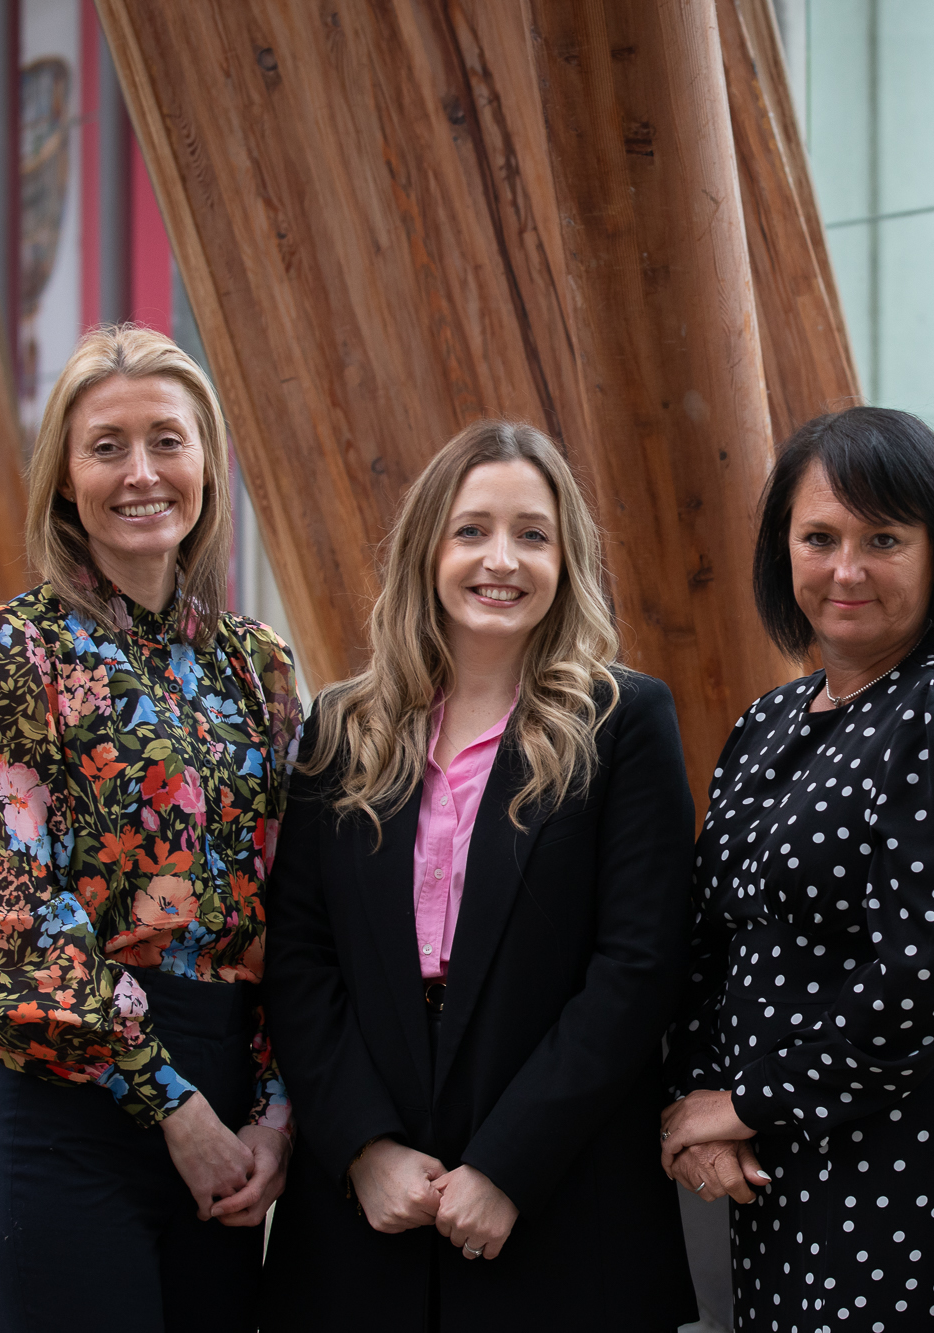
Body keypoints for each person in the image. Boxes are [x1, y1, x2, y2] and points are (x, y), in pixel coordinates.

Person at [261, 420, 698, 1330]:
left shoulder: (623, 723)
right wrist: (360, 1147)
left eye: (532, 534)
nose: (501, 559)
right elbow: (299, 958)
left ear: (565, 558)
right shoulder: (342, 729)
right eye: (472, 530)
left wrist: (510, 1164)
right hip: (365, 1212)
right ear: (428, 548)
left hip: (559, 1197)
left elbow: (638, 969)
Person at [0, 324, 304, 1333]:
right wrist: (172, 1107)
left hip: (234, 1121)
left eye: (168, 441)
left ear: (207, 465)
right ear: (64, 481)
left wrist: (274, 1115)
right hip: (75, 1110)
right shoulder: (13, 653)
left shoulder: (256, 665)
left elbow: (290, 900)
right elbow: (2, 913)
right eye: (106, 446)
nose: (141, 473)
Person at [662, 406, 934, 1330]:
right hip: (785, 1154)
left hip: (915, 1155)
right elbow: (714, 935)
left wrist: (740, 1103)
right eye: (819, 537)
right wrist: (700, 1098)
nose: (847, 568)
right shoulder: (768, 722)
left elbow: (927, 974)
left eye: (884, 538)